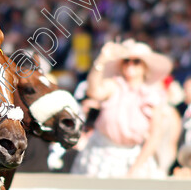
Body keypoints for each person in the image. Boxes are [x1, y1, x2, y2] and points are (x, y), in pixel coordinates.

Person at [72, 39, 174, 178]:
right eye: (126, 61)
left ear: (145, 67)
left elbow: (155, 136)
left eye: (136, 61)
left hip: (134, 157)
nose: (130, 64)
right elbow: (93, 91)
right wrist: (101, 61)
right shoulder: (114, 86)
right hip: (102, 152)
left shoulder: (153, 96)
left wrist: (135, 168)